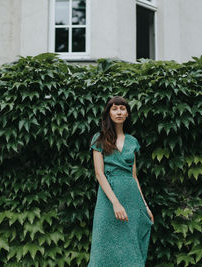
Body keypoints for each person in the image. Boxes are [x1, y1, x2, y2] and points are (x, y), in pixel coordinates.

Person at [87, 96, 154, 267]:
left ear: (127, 114)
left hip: (131, 198)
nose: (119, 112)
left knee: (130, 246)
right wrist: (116, 203)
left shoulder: (132, 142)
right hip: (109, 199)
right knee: (104, 246)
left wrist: (144, 206)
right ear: (108, 113)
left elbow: (134, 176)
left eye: (122, 109)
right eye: (115, 108)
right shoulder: (99, 139)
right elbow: (99, 174)